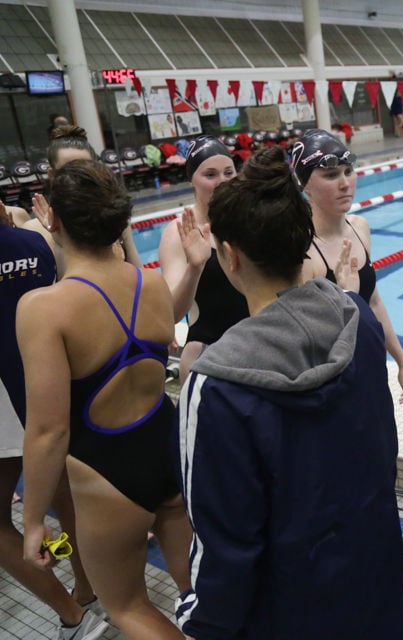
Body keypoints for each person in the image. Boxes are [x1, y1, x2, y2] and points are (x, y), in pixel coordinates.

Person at [176, 146, 403, 638]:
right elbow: (381, 452)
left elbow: (225, 542)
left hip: (288, 609)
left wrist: (201, 619)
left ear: (230, 255)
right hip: (376, 581)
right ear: (303, 243)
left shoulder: (216, 385)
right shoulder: (359, 322)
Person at [17, 159, 192, 640]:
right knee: (194, 587)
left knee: (129, 607)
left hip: (107, 472)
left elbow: (49, 430)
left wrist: (33, 521)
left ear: (53, 220)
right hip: (166, 447)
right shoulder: (151, 283)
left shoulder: (43, 308)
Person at [0, 203, 106, 639]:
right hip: (46, 392)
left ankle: (73, 616)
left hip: (6, 403)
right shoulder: (35, 243)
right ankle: (88, 590)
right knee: (65, 495)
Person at [293, 129, 403, 405]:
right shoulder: (301, 252)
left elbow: (372, 301)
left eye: (348, 171)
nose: (345, 183)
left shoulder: (360, 228)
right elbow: (303, 340)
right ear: (304, 185)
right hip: (329, 381)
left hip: (369, 362)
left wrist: (401, 360)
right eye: (330, 175)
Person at [158, 136, 246, 382]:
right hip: (207, 358)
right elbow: (171, 314)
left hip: (256, 348)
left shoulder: (247, 221)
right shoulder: (178, 233)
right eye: (210, 175)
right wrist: (195, 267)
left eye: (229, 172)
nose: (222, 182)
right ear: (192, 180)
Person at [22, 125, 143, 272]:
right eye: (68, 170)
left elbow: (139, 274)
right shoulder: (34, 231)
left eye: (86, 169)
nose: (79, 178)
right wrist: (58, 237)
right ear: (52, 175)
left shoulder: (111, 217)